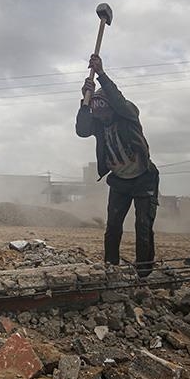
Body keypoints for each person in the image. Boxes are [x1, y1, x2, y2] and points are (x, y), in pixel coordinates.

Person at [76, 54, 159, 277]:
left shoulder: (127, 115)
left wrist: (101, 75)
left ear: (112, 107)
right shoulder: (99, 124)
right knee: (113, 226)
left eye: (104, 110)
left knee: (143, 226)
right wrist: (85, 100)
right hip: (119, 181)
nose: (102, 116)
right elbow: (82, 130)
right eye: (98, 112)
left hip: (143, 178)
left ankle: (144, 272)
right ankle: (110, 267)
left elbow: (119, 101)